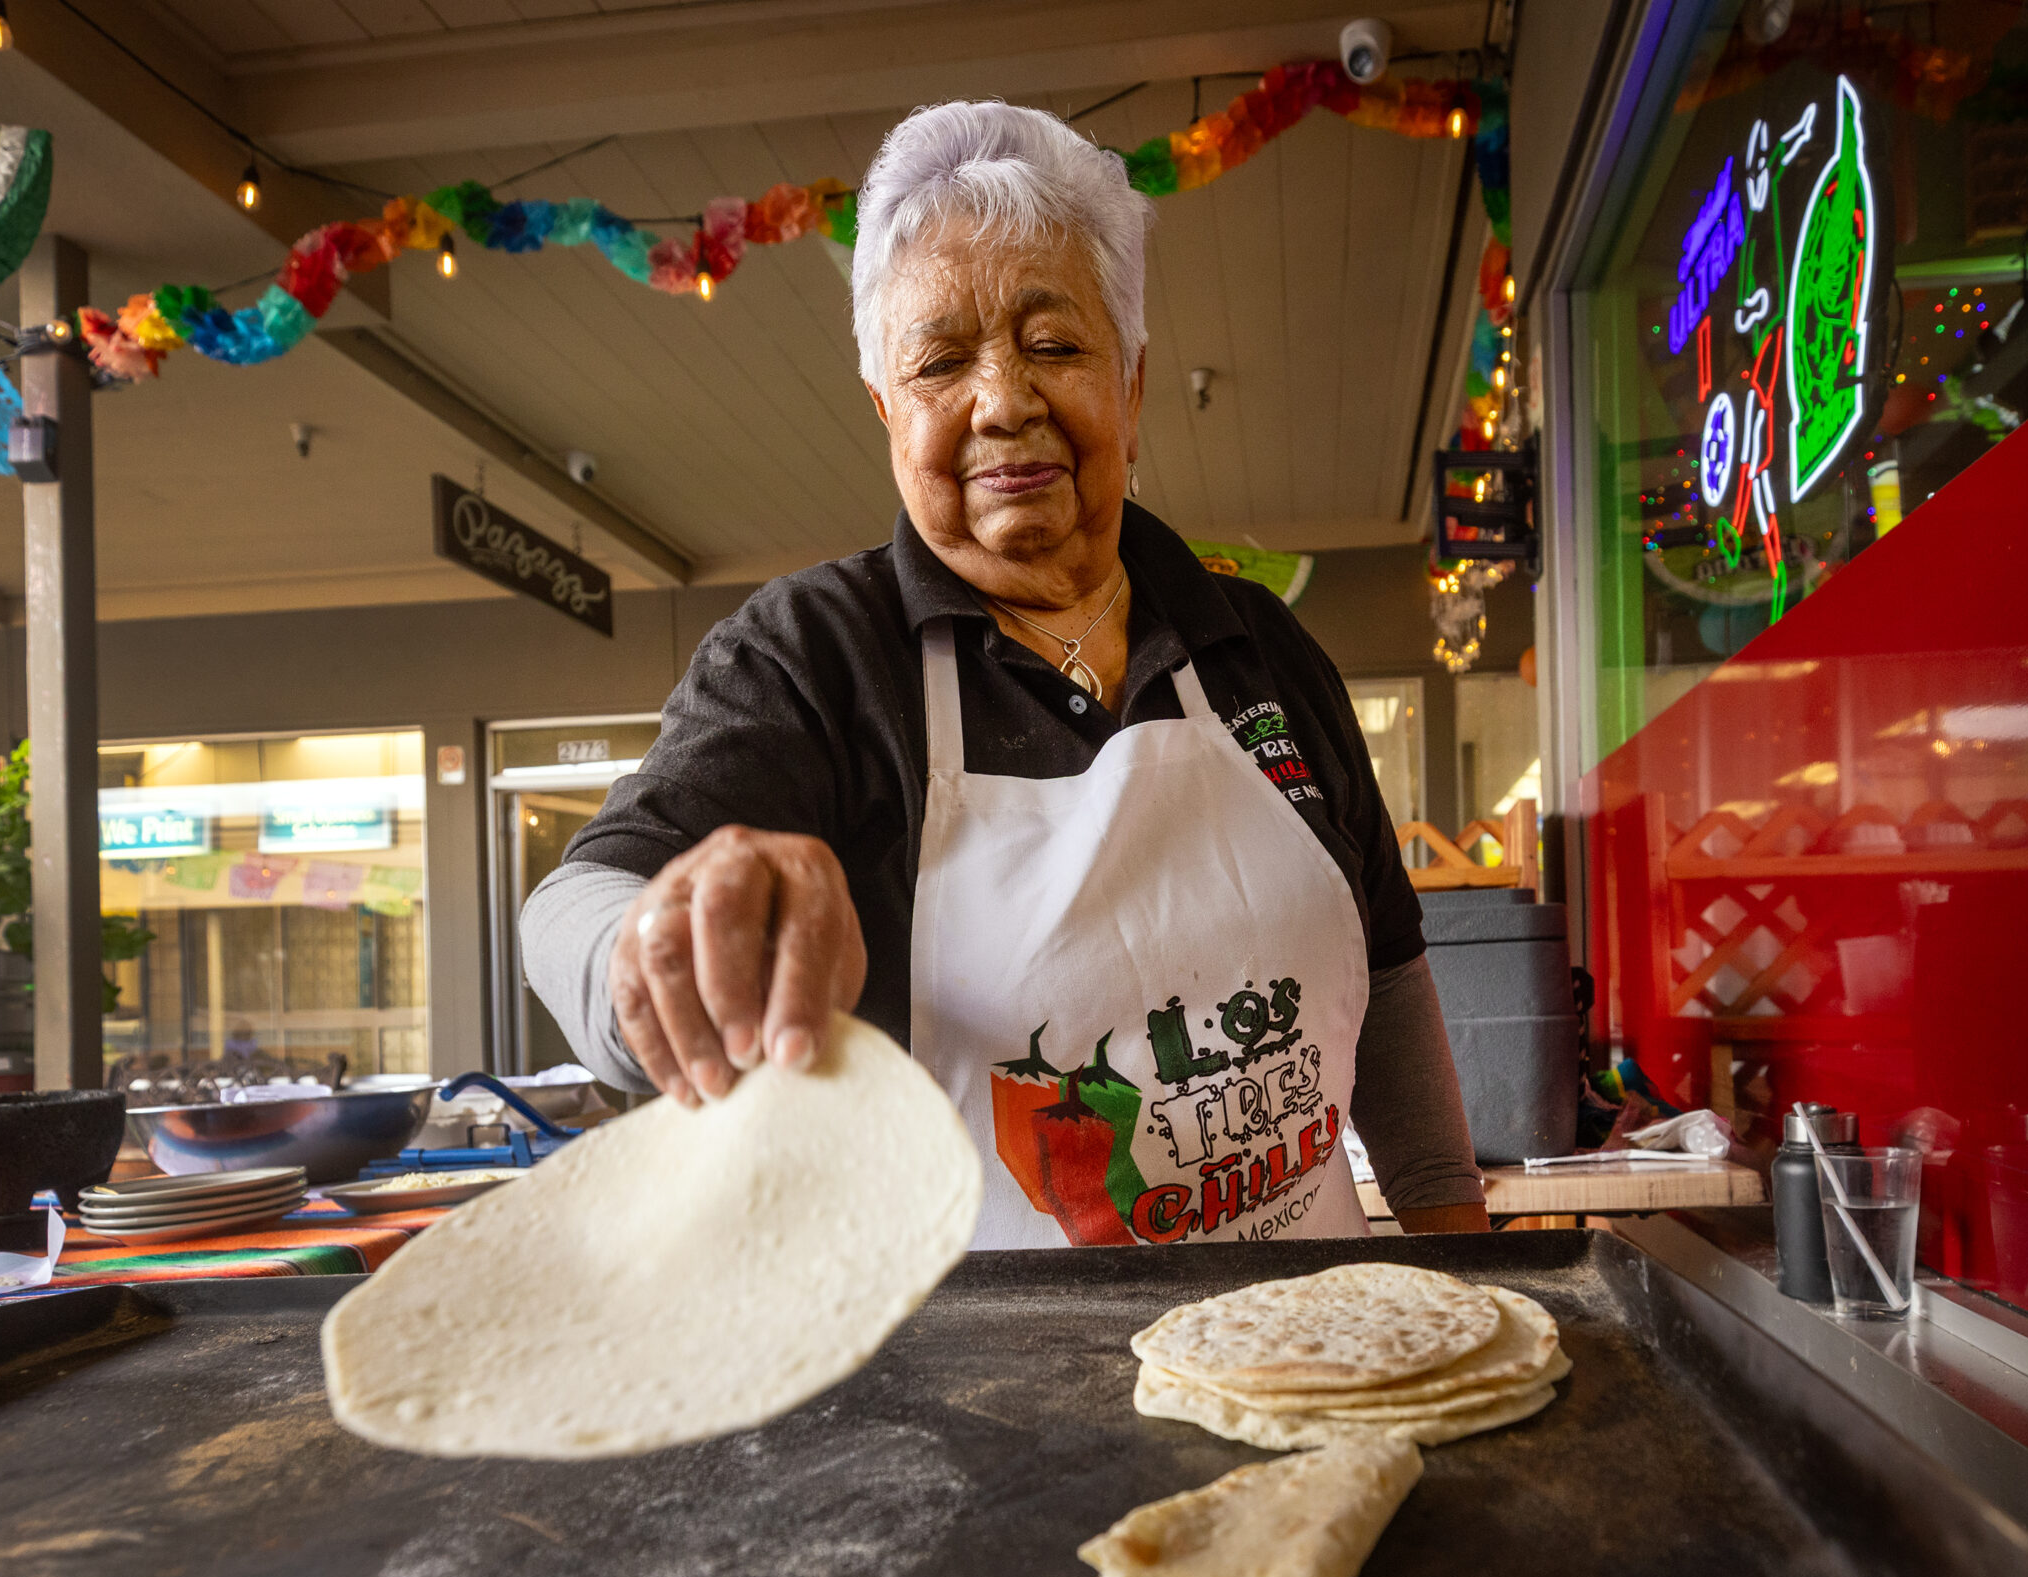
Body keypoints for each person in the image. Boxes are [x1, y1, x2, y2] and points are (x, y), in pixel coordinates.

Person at [524, 100, 1489, 1249]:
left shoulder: (1258, 648)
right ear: (888, 412)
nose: (1002, 402)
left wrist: (1462, 1279)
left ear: (1129, 388)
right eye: (940, 362)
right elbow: (574, 903)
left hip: (1316, 1365)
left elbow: (1389, 1005)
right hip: (976, 1405)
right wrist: (650, 939)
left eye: (1052, 345)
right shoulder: (812, 660)